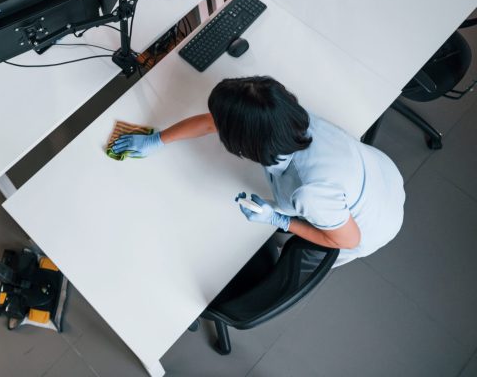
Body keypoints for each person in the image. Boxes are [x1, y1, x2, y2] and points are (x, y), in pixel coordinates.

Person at [111, 76, 405, 266]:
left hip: (368, 225)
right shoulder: (287, 118)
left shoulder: (310, 191)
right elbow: (215, 122)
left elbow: (346, 240)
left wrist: (280, 220)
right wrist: (158, 139)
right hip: (380, 173)